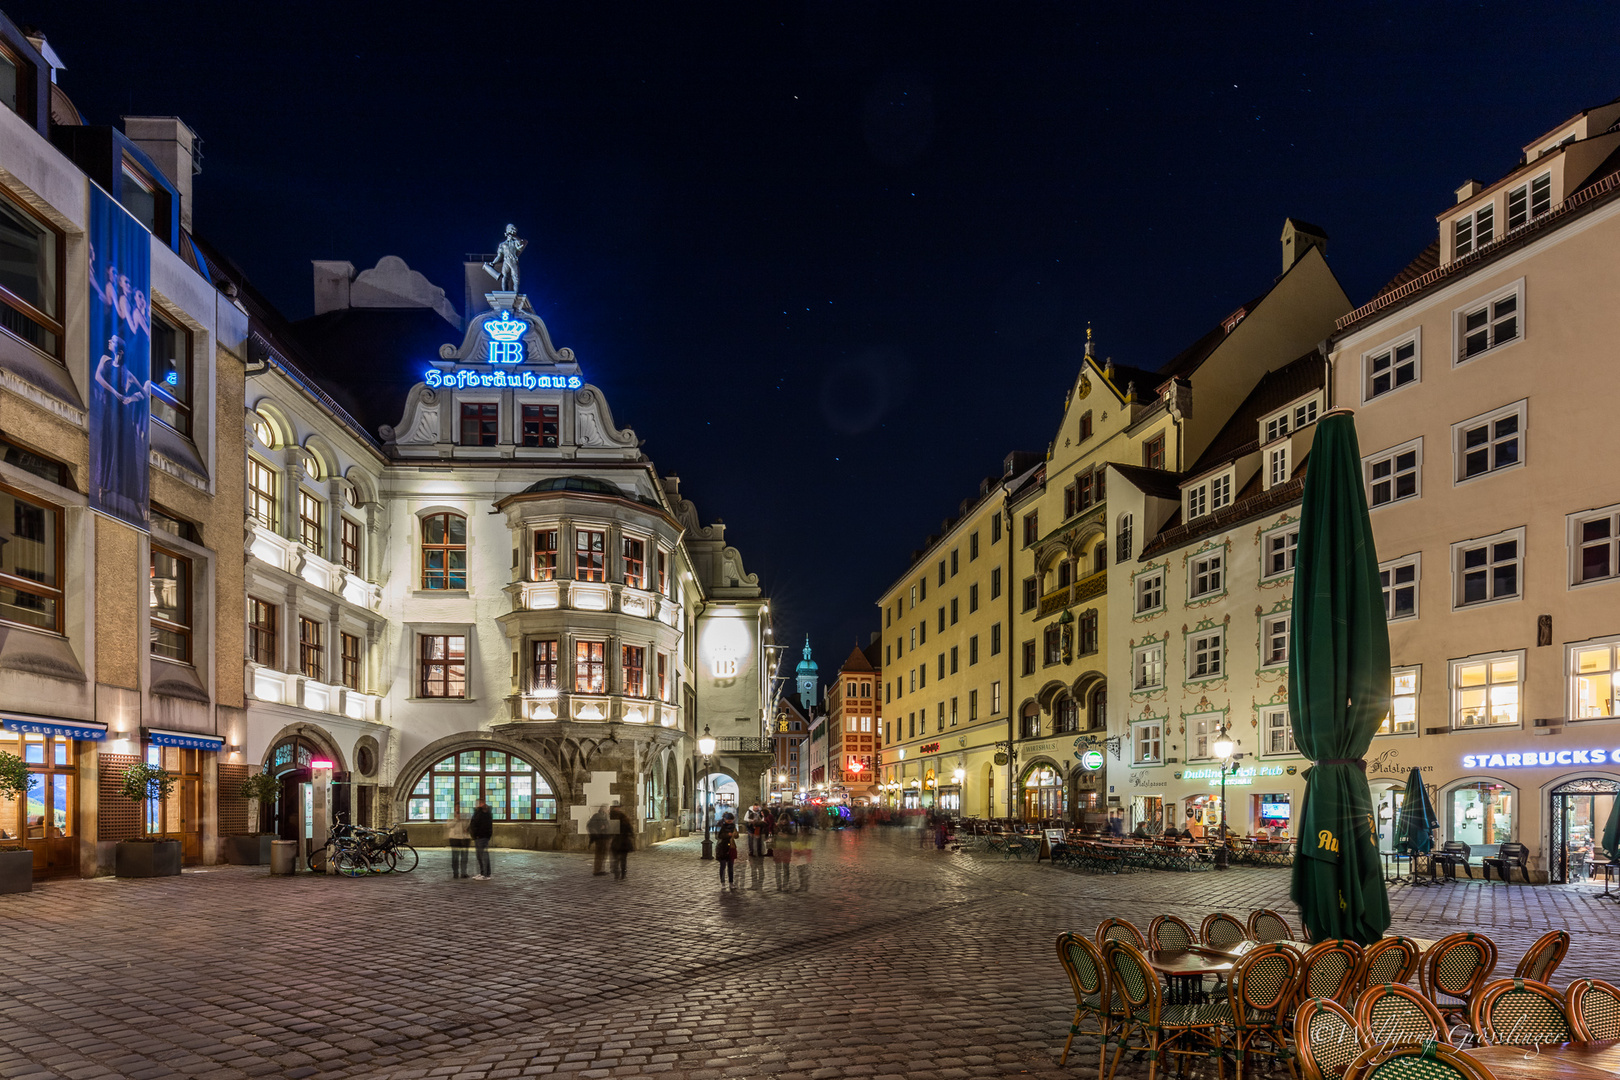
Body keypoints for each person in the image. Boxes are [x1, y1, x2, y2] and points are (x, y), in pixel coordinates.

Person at [470, 798, 494, 879]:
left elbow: (483, 824)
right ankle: (482, 872)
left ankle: (486, 874)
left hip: (482, 836)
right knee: (479, 856)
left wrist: (478, 833)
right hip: (478, 836)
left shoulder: (484, 812)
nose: (477, 804)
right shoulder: (478, 812)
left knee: (483, 855)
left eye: (479, 803)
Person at [716, 811, 739, 888]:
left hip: (731, 847)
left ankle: (731, 882)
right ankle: (722, 883)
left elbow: (736, 836)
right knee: (722, 866)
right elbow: (717, 836)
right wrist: (727, 835)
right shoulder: (720, 825)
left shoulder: (733, 826)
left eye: (731, 821)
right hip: (722, 847)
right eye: (729, 821)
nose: (730, 822)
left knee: (731, 866)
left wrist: (735, 834)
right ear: (725, 819)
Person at [447, 809, 472, 879]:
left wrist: (465, 824)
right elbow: (448, 825)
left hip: (465, 838)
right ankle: (455, 873)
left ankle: (463, 872)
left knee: (464, 856)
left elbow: (469, 825)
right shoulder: (452, 815)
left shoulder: (467, 815)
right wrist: (456, 819)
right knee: (455, 856)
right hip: (454, 838)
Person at [610, 805, 633, 879]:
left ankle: (617, 872)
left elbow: (612, 832)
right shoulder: (626, 822)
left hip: (617, 842)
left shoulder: (615, 823)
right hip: (624, 843)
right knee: (623, 859)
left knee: (616, 858)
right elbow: (631, 832)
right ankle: (623, 873)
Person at [587, 805, 611, 875]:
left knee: (604, 854)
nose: (608, 810)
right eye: (607, 809)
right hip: (600, 838)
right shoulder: (597, 816)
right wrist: (598, 831)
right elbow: (590, 825)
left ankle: (601, 869)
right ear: (603, 809)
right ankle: (597, 870)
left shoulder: (605, 816)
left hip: (605, 837)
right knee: (600, 854)